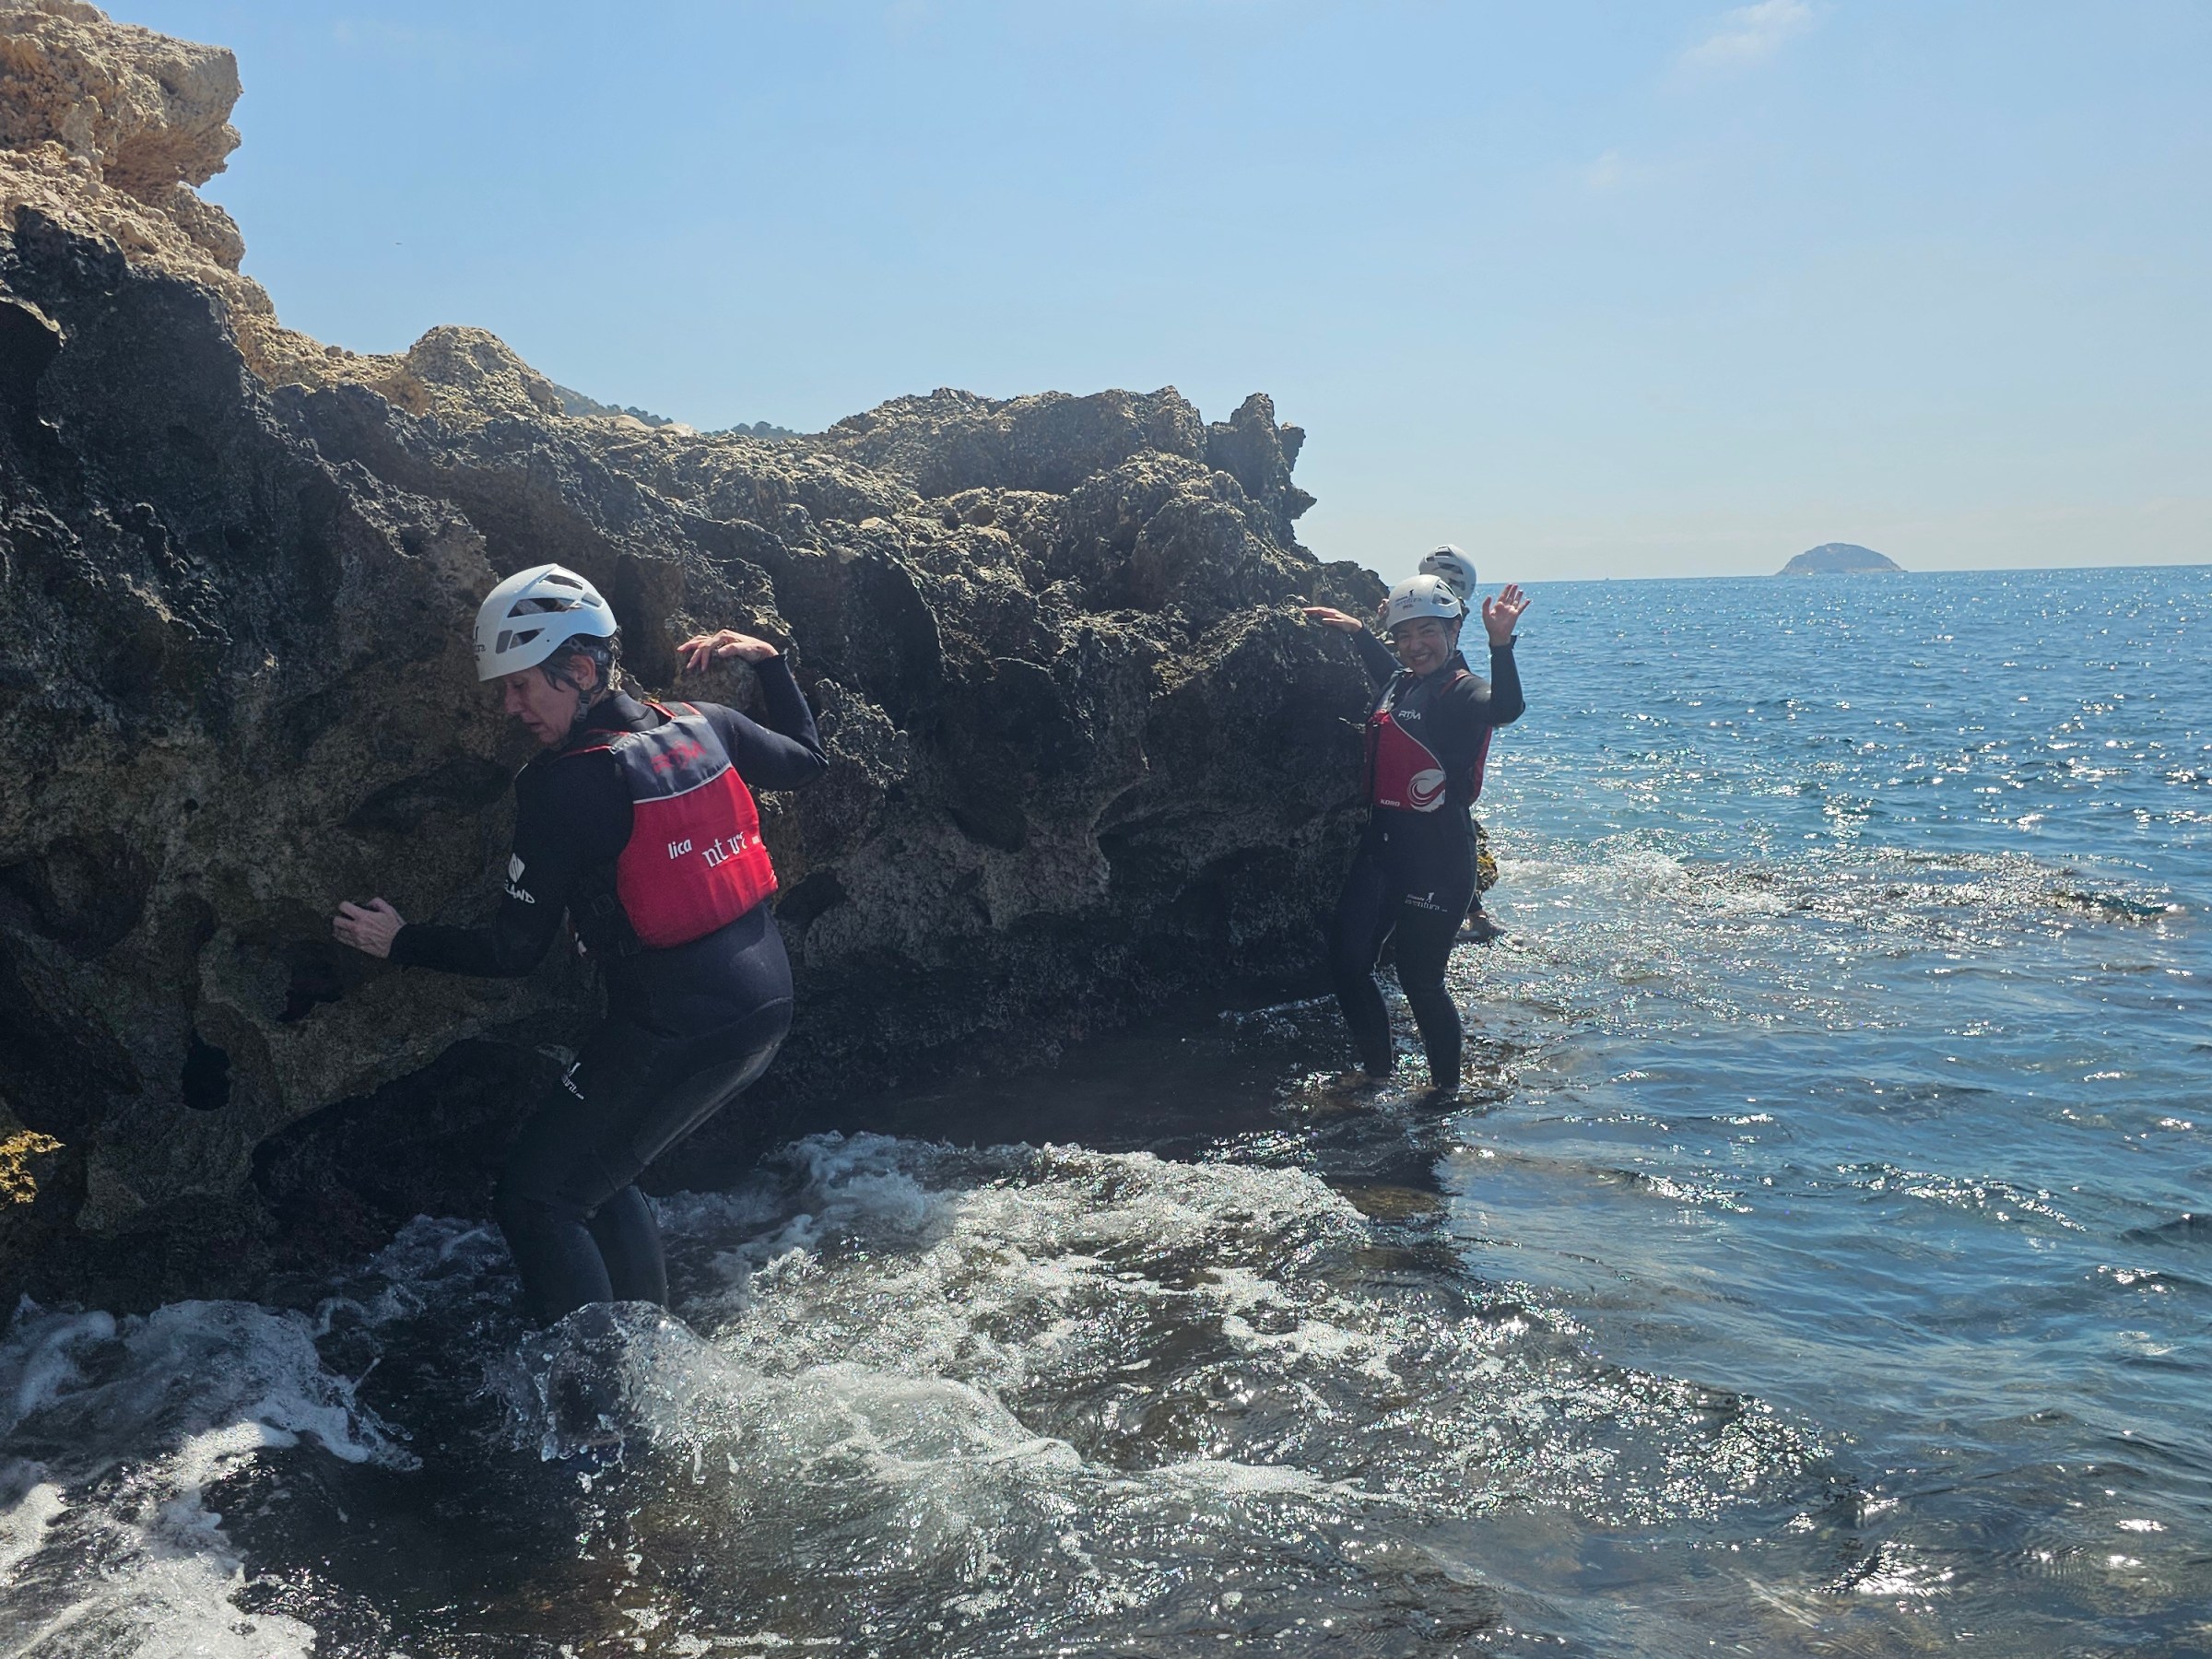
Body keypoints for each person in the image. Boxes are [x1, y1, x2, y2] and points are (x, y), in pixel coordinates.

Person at [332, 564, 826, 1324]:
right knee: (596, 1172)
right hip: (766, 1008)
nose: (509, 706)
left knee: (537, 1199)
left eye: (522, 685)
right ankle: (643, 1358)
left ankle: (595, 1415)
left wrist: (402, 942)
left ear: (584, 670)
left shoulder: (562, 785)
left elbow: (512, 950)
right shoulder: (705, 723)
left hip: (675, 1025)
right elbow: (807, 758)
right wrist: (771, 664)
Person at [1301, 571, 1528, 1098]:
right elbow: (1397, 677)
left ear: (1453, 631)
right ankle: (1377, 1074)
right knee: (1348, 962)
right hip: (1382, 851)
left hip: (1439, 859)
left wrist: (1502, 645)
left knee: (1420, 982)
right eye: (1403, 634)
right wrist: (1361, 631)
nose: (1414, 645)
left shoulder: (1463, 691)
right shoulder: (1403, 681)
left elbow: (1505, 710)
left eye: (1427, 631)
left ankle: (1444, 1091)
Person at [1417, 545, 1505, 942]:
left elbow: (1503, 708)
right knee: (1448, 809)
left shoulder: (1452, 612)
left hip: (1454, 695)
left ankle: (1475, 915)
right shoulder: (1431, 605)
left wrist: (1501, 644)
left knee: (1451, 806)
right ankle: (1473, 912)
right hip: (1441, 695)